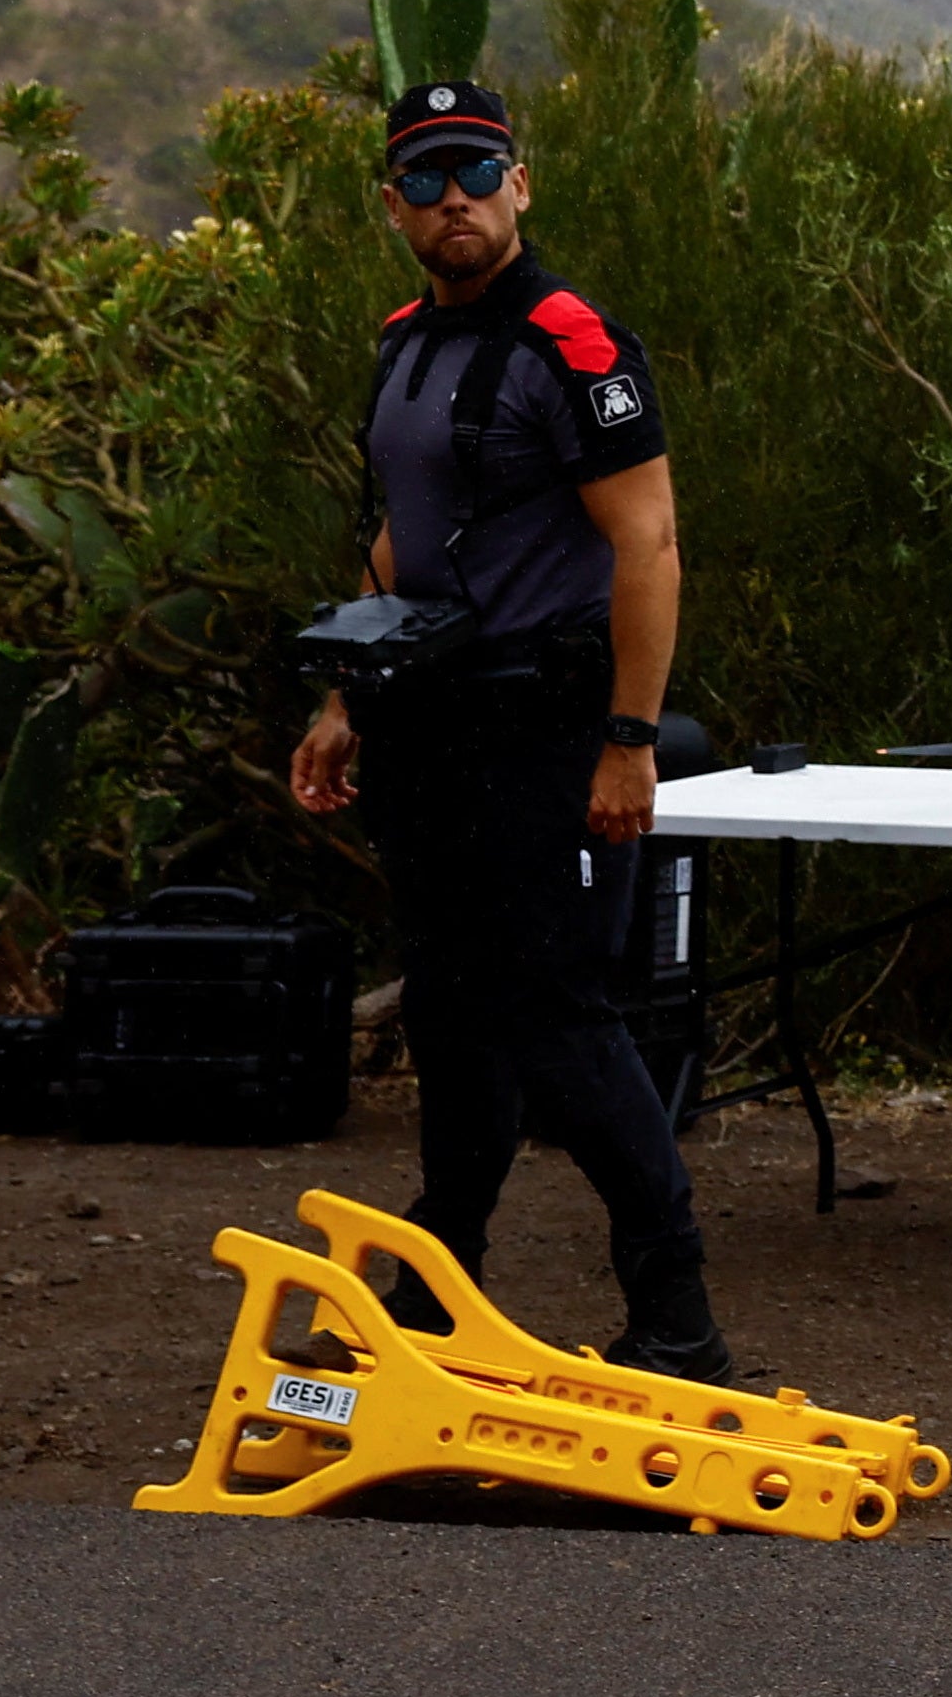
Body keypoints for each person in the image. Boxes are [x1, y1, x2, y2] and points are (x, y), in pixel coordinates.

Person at [285, 77, 728, 1376]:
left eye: (476, 170)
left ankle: (677, 1314)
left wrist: (630, 740)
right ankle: (440, 1284)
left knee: (561, 1016)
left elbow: (648, 545)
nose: (455, 200)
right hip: (427, 730)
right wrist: (341, 698)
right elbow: (402, 537)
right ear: (394, 207)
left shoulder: (573, 346)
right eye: (425, 181)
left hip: (549, 726)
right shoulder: (404, 342)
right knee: (453, 1009)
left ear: (520, 183)